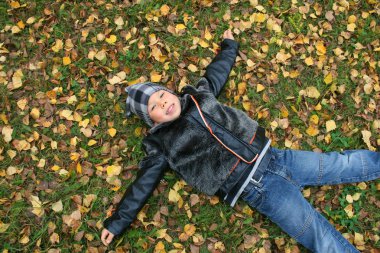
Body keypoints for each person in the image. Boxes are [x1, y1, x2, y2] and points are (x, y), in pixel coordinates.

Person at [101, 30, 380, 252]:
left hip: (277, 157)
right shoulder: (161, 145)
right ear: (153, 121)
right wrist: (117, 222)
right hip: (258, 189)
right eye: (155, 108)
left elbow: (216, 73)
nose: (164, 104)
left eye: (162, 96)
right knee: (316, 234)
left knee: (338, 164)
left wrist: (229, 46)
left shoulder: (199, 95)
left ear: (170, 92)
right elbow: (143, 183)